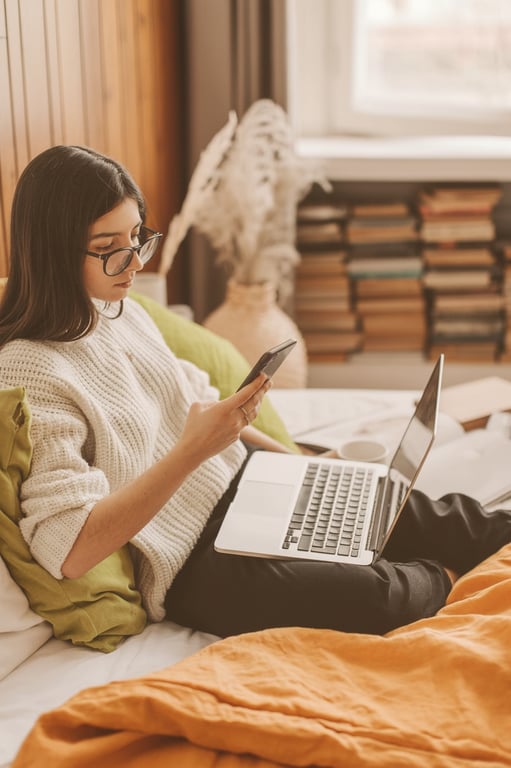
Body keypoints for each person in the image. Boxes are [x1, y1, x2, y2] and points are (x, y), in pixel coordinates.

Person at [0, 145, 509, 639]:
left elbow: (195, 405)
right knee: (379, 596)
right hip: (195, 559)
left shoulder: (120, 310)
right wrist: (194, 450)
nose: (134, 264)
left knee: (436, 515)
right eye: (110, 250)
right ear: (52, 251)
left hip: (247, 477)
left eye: (137, 238)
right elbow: (67, 550)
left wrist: (302, 465)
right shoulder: (30, 370)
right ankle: (450, 581)